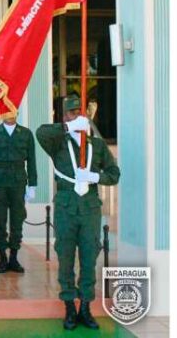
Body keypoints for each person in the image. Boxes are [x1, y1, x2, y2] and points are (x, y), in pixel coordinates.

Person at [36, 96, 120, 330]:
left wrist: (96, 177)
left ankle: (85, 306)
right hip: (65, 208)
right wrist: (68, 128)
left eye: (79, 112)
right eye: (71, 113)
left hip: (90, 208)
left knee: (88, 257)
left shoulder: (98, 145)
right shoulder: (58, 143)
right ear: (65, 116)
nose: (77, 115)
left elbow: (114, 174)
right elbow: (40, 133)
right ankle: (69, 307)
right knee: (65, 257)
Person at [0, 111, 37, 273]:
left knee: (17, 221)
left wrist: (32, 185)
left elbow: (32, 160)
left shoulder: (26, 133)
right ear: (2, 113)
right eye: (7, 110)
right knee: (0, 222)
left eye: (13, 110)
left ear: (17, 113)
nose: (10, 114)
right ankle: (2, 257)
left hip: (19, 183)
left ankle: (14, 257)